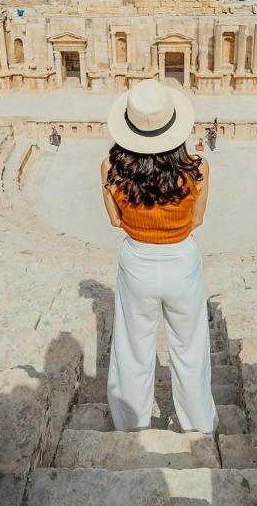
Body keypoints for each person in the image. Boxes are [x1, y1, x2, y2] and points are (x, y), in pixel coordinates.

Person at [101, 80, 216, 433]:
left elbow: (114, 220)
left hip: (137, 262)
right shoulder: (198, 168)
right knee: (190, 349)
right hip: (182, 261)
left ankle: (130, 427)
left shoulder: (110, 169)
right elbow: (197, 220)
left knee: (132, 349)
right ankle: (199, 427)